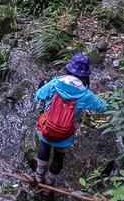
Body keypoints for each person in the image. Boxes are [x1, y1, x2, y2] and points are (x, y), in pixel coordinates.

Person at [33, 53, 108, 191]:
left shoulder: (55, 83)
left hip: (48, 128)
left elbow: (38, 96)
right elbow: (103, 107)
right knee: (59, 157)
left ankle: (38, 176)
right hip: (65, 134)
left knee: (44, 147)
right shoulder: (86, 94)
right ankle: (49, 184)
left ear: (68, 69)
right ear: (85, 75)